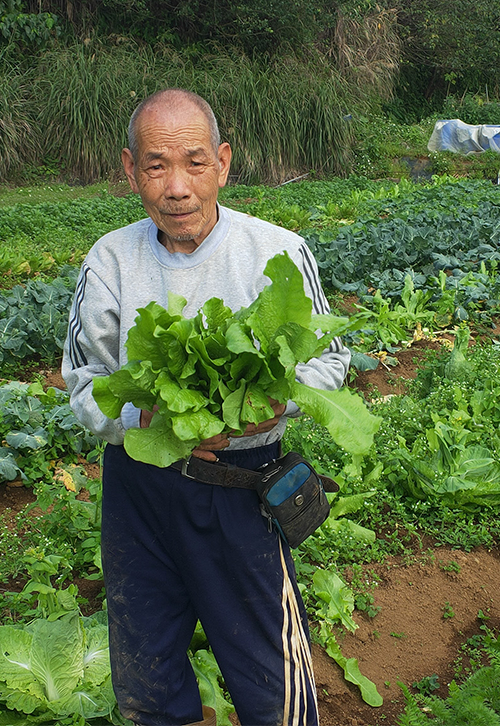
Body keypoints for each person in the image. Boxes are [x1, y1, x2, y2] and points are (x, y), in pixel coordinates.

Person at [62, 88, 350, 726]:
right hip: (141, 495)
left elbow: (331, 360)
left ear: (222, 163)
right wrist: (152, 423)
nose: (177, 187)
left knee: (273, 684)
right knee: (148, 679)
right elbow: (84, 385)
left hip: (242, 492)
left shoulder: (277, 251)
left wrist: (278, 402)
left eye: (194, 163)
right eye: (157, 165)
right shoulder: (109, 260)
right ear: (130, 170)